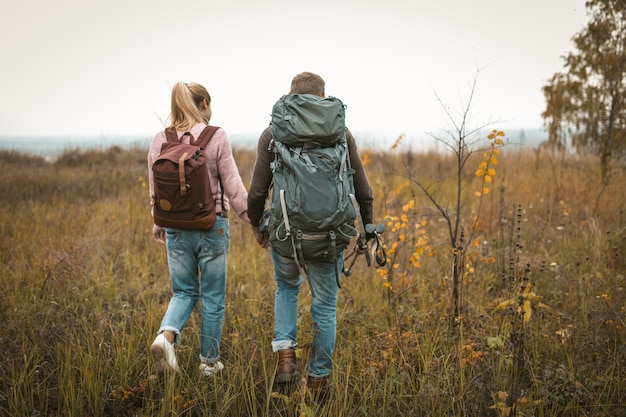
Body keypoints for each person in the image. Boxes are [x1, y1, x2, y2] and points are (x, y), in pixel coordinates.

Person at [247, 72, 374, 400]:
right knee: (325, 305)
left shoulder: (273, 133)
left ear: (292, 98)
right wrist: (369, 228)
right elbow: (363, 190)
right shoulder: (341, 134)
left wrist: (258, 226)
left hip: (286, 235)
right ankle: (319, 380)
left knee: (287, 289)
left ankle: (286, 361)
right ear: (323, 95)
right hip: (331, 236)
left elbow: (257, 191)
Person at [147, 82, 250, 377]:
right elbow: (234, 187)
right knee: (213, 296)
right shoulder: (216, 136)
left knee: (183, 292)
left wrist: (158, 222)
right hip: (211, 227)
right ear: (204, 103)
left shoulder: (160, 139)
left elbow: (156, 189)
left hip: (175, 228)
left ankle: (165, 338)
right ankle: (208, 363)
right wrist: (254, 221)